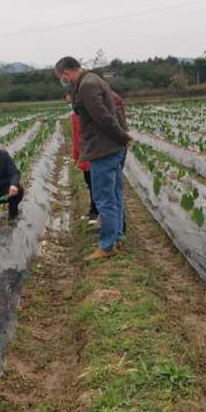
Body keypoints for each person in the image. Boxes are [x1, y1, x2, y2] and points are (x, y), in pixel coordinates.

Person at [55, 57, 132, 260]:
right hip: (111, 148)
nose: (63, 82)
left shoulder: (87, 85)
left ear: (66, 73)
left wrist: (123, 136)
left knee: (104, 198)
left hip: (103, 149)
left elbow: (104, 117)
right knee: (114, 195)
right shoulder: (92, 80)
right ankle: (116, 237)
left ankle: (106, 246)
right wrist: (122, 138)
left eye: (62, 78)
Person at [67, 92, 98, 224]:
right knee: (89, 183)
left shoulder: (92, 114)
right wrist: (75, 156)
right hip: (85, 157)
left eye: (71, 101)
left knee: (96, 185)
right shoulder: (74, 116)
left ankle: (96, 213)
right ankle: (93, 211)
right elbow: (76, 138)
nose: (71, 104)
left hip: (96, 154)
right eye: (68, 102)